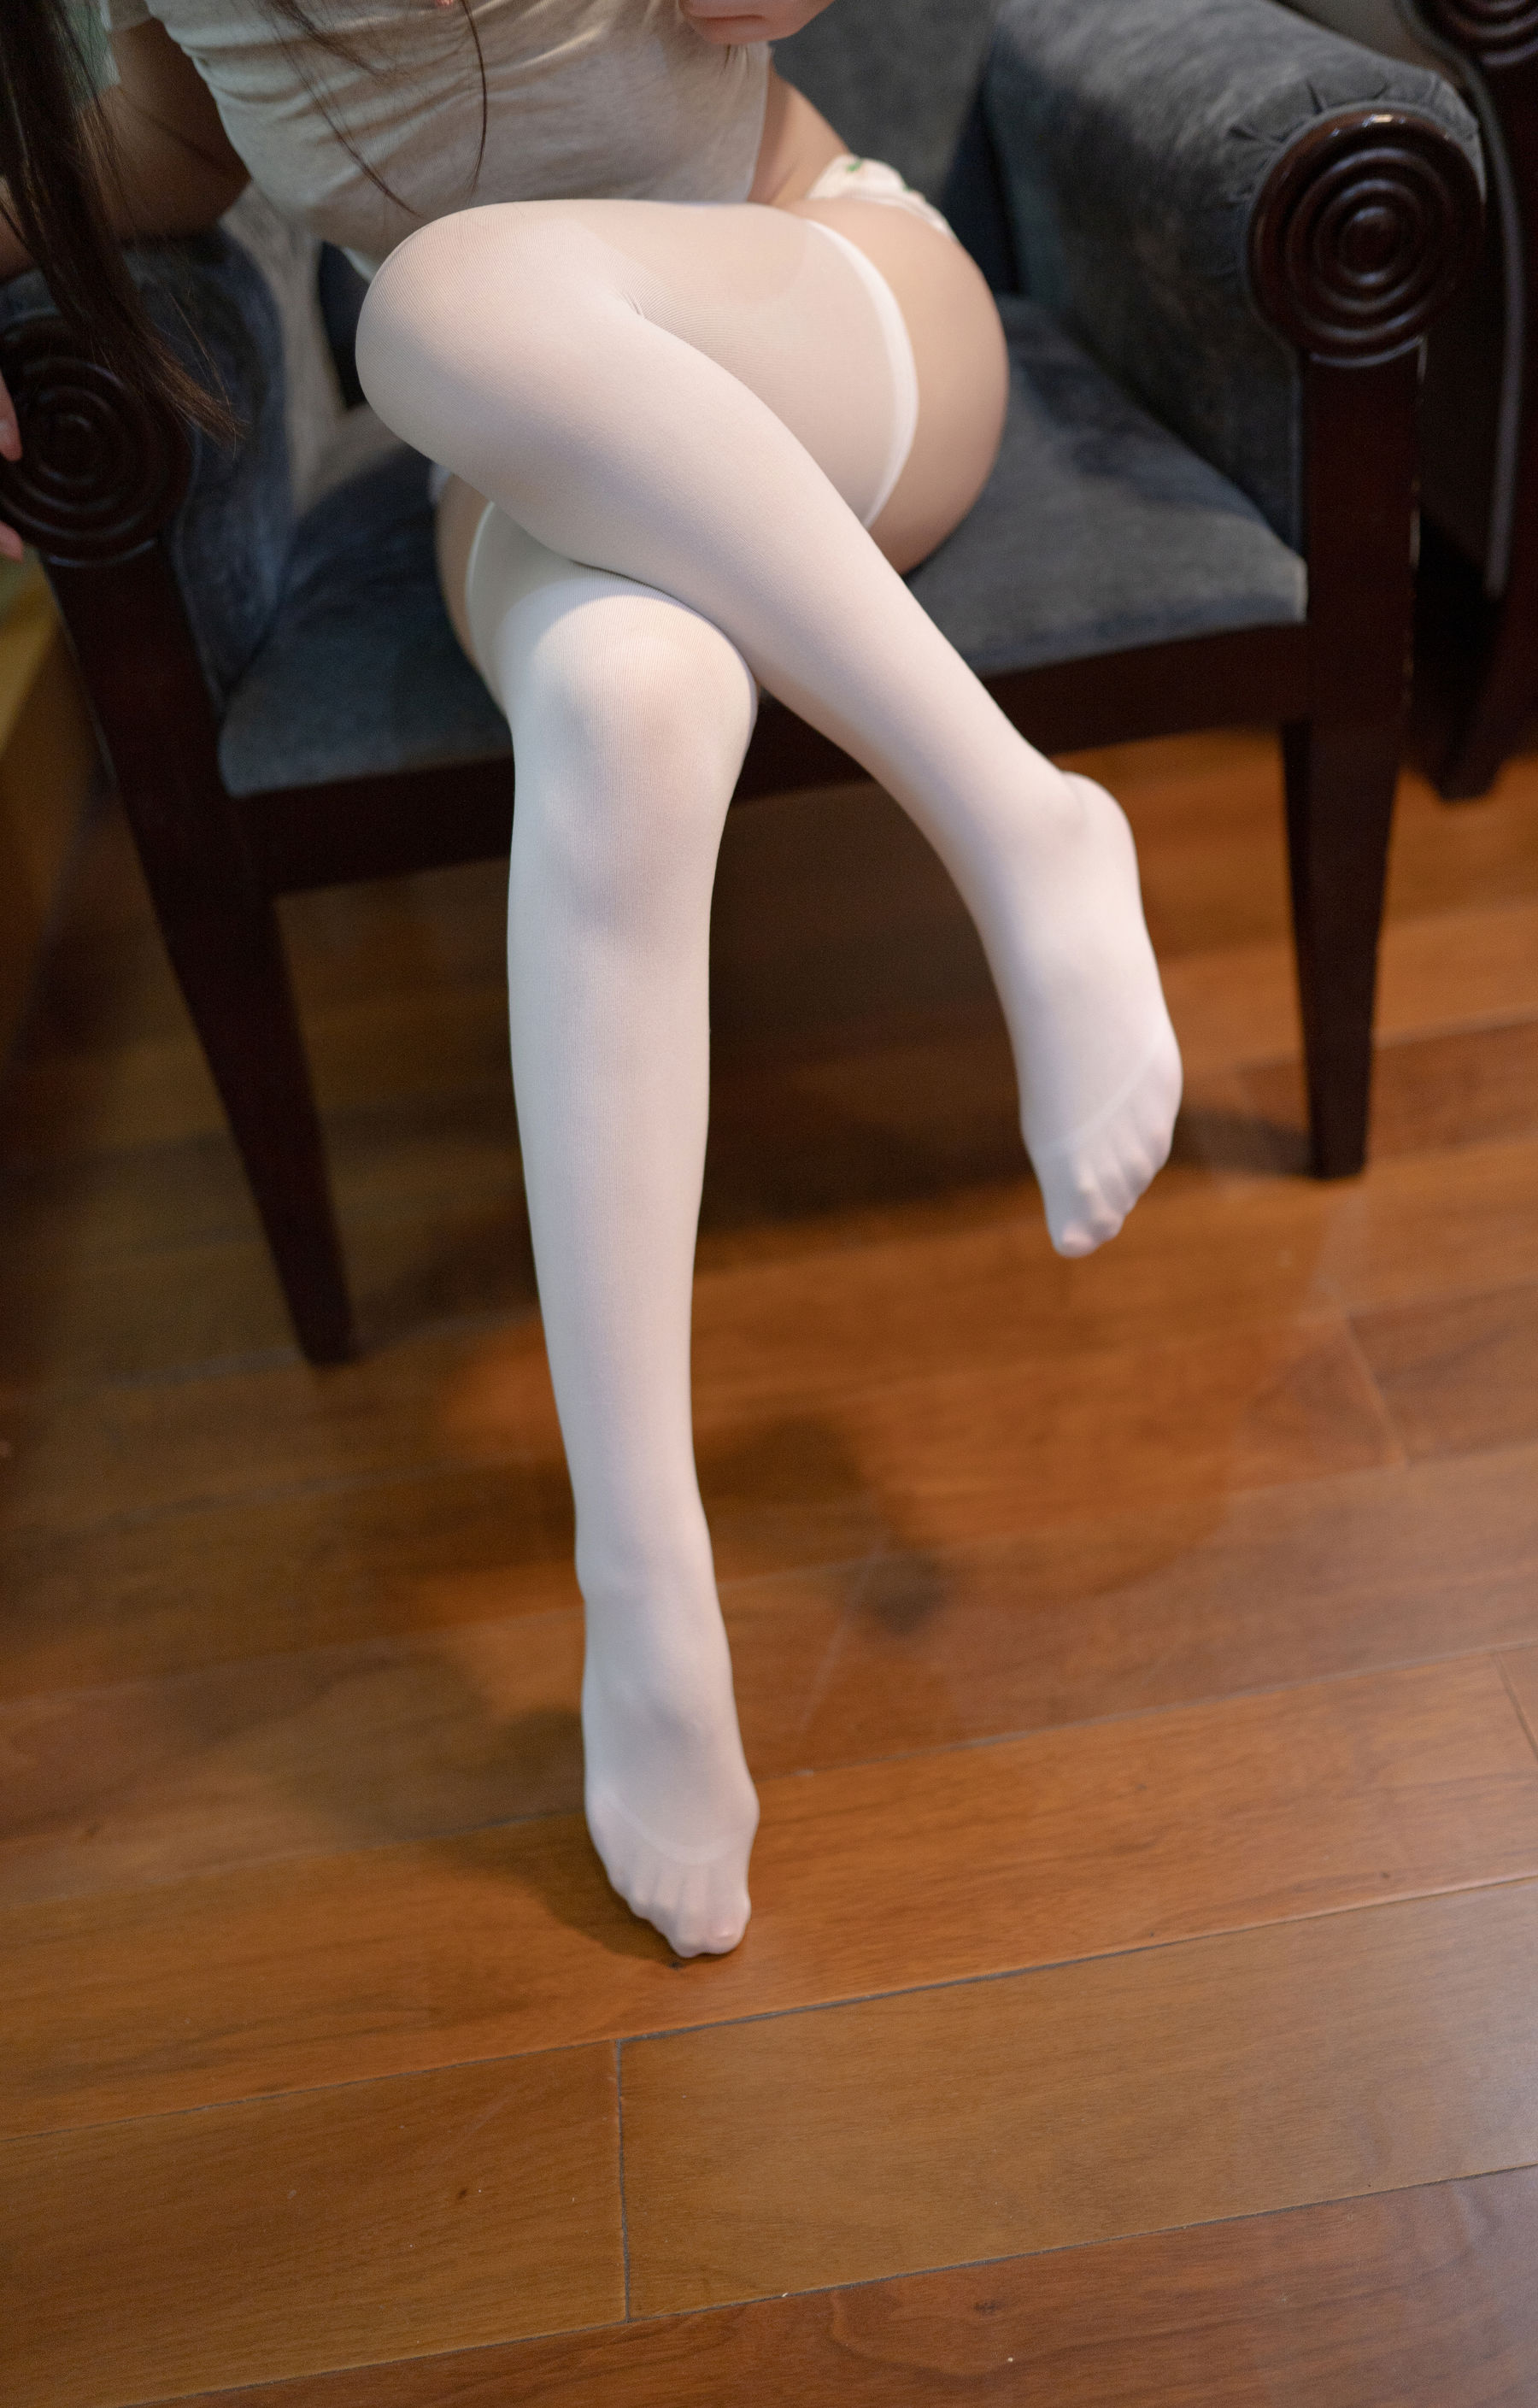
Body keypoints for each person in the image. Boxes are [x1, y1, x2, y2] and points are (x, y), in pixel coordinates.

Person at [0, 0, 1182, 1959]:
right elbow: (178, 146)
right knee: (624, 707)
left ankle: (1020, 824)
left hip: (830, 311)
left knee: (433, 305)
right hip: (525, 457)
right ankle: (644, 1584)